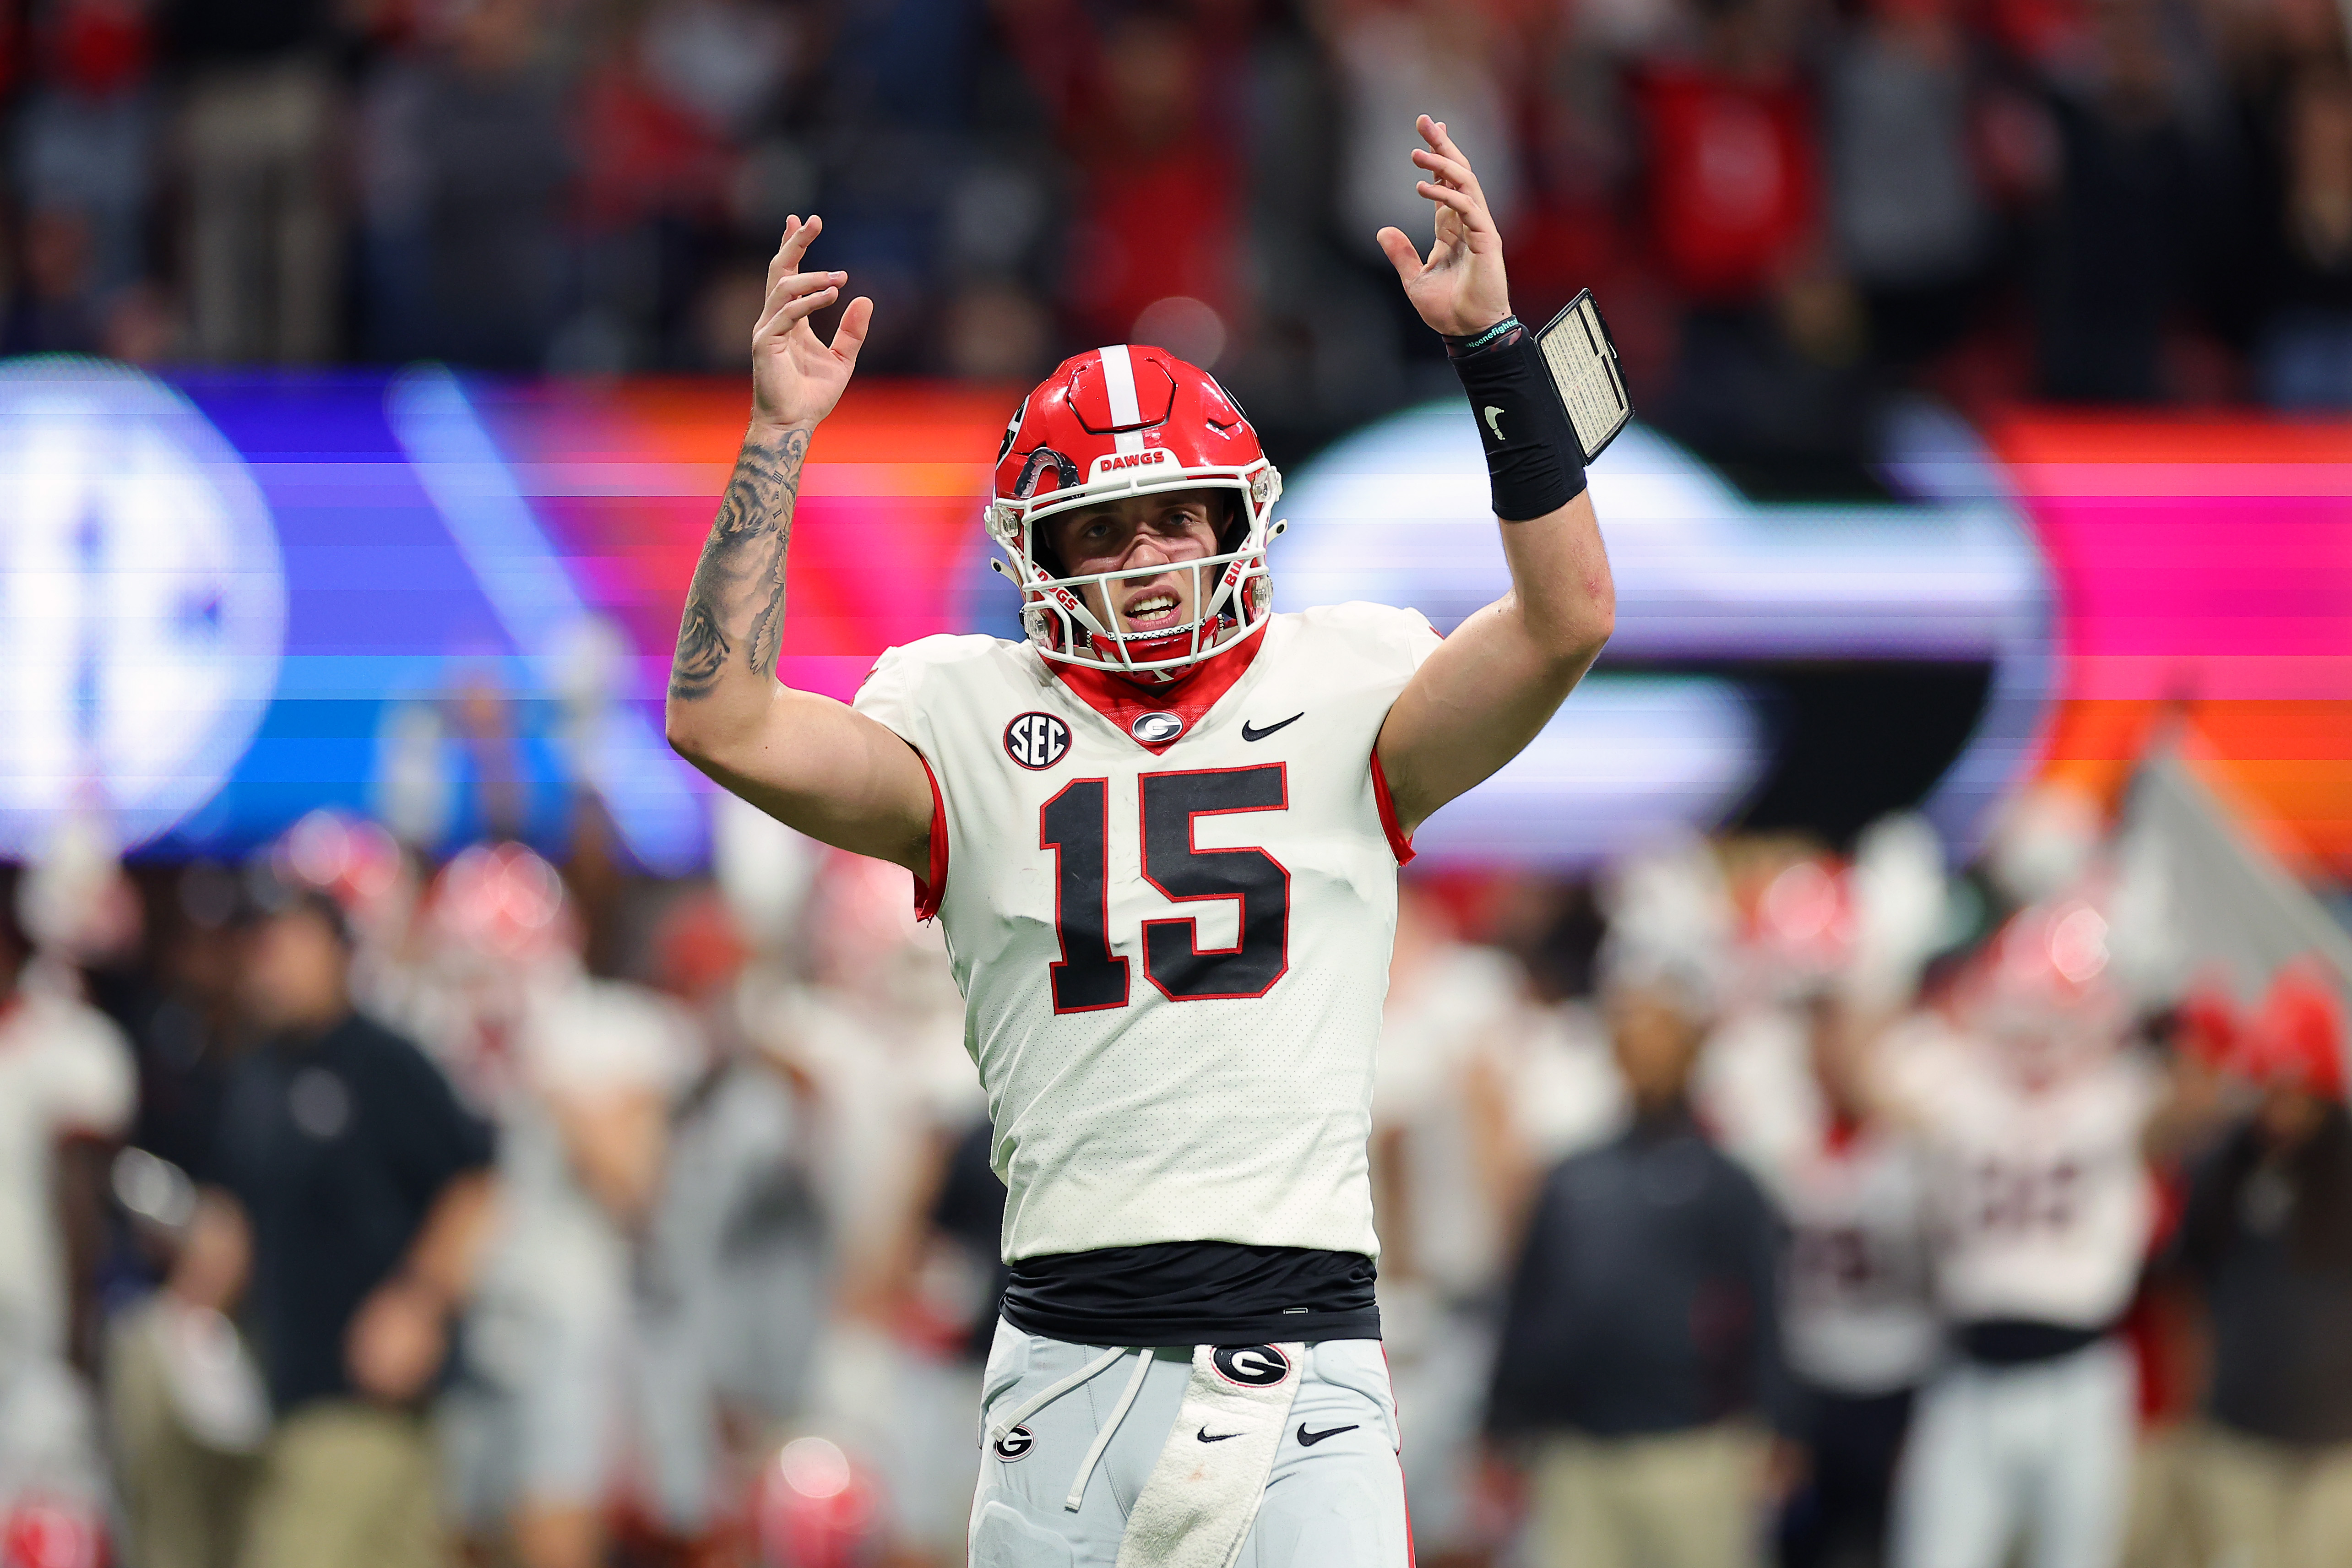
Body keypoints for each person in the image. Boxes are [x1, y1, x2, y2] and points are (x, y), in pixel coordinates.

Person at [663, 111, 1616, 1566]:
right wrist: (777, 437)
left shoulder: (1347, 684)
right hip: (1063, 1353)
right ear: (1033, 558)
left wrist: (1496, 349)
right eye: (1101, 531)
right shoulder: (962, 715)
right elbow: (721, 720)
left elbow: (1569, 619)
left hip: (1305, 1353)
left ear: (1240, 514)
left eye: (1174, 518)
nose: (1148, 560)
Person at [206, 884, 497, 1568]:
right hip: (283, 1391)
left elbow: (476, 1181)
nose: (270, 962)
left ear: (340, 952)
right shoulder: (255, 1076)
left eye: (290, 942)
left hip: (368, 1395)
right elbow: (235, 1216)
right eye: (261, 946)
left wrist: (421, 1299)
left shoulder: (382, 1060)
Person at [1486, 955, 1784, 1568]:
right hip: (1577, 1451)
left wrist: (1781, 1425)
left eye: (1659, 1030)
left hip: (1692, 1449)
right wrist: (1500, 1422)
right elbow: (1528, 1305)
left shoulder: (1727, 1182)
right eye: (1630, 1030)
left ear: (1691, 1045)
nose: (1643, 1047)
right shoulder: (1573, 1178)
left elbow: (1768, 1308)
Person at [1886, 904, 2159, 1568]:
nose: (2038, 1036)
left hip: (2079, 1367)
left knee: (2076, 1555)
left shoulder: (2124, 1094)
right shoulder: (1949, 1080)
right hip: (1968, 1365)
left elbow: (2190, 1102)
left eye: (2054, 1015)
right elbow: (1872, 1076)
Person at [2175, 962, 2352, 1568]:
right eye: (2272, 1093)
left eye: (2298, 1095)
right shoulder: (2226, 1163)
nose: (2282, 1114)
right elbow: (2185, 1273)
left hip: (2335, 1445)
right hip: (2239, 1432)